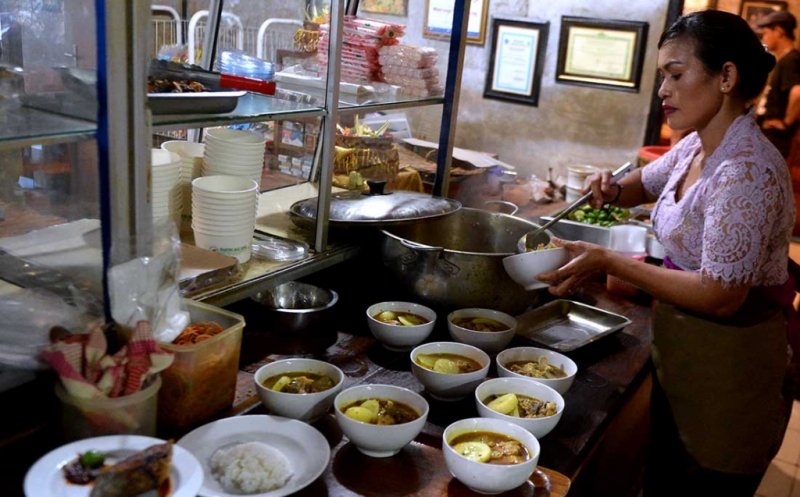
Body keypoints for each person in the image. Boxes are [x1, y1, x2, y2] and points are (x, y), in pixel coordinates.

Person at [536, 10, 796, 497]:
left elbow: (721, 295)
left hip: (730, 368)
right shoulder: (698, 145)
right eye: (662, 77)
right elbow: (641, 186)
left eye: (675, 75)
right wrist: (611, 191)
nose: (663, 91)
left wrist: (610, 260)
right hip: (685, 351)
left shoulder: (744, 171)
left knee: (704, 482)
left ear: (726, 77)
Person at [758, 10, 800, 157]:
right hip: (768, 133)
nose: (764, 37)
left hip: (775, 136)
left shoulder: (791, 60)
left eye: (766, 32)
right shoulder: (783, 60)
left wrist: (786, 123)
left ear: (779, 31)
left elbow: (798, 93)